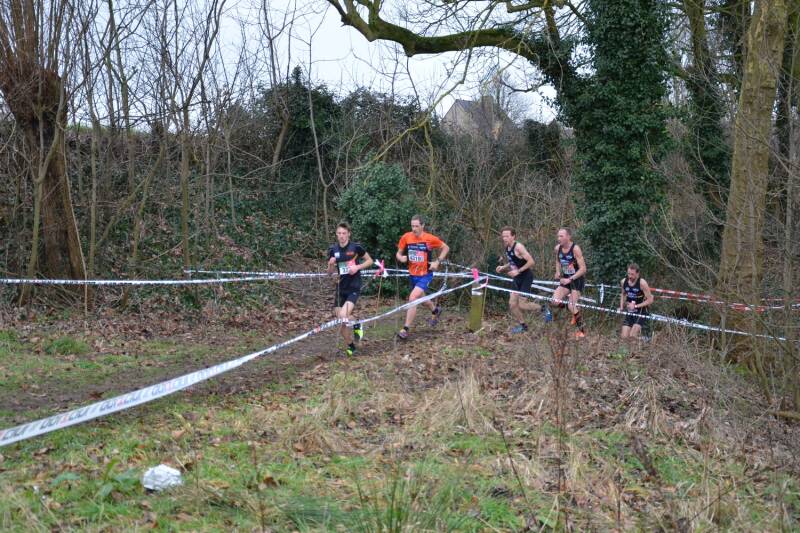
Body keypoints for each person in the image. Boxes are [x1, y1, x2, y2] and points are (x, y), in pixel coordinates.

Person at [395, 215, 449, 340]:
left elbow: (446, 248)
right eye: (412, 226)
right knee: (421, 298)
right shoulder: (406, 237)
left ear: (423, 226)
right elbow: (399, 252)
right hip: (412, 274)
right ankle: (435, 310)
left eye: (417, 226)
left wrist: (437, 261)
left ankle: (405, 329)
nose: (414, 229)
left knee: (413, 297)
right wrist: (400, 257)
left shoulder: (429, 239)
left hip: (425, 274)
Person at [327, 222, 373, 356]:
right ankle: (352, 344)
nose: (341, 236)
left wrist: (357, 267)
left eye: (344, 233)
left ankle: (356, 325)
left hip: (354, 285)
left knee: (343, 316)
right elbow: (329, 273)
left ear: (348, 234)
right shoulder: (333, 249)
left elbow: (369, 260)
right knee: (341, 321)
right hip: (341, 287)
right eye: (339, 233)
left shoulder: (356, 247)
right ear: (336, 234)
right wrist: (330, 265)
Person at [495, 227, 550, 333]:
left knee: (522, 305)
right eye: (503, 236)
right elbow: (512, 261)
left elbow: (531, 261)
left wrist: (518, 271)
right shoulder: (507, 247)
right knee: (512, 304)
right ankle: (523, 326)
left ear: (513, 236)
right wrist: (503, 268)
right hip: (517, 278)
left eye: (507, 236)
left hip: (526, 277)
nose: (504, 238)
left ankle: (544, 309)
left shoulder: (519, 247)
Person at [552, 227, 588, 338]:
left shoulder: (575, 249)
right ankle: (573, 310)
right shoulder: (557, 248)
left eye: (561, 236)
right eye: (558, 236)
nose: (559, 238)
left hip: (577, 279)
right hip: (566, 278)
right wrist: (558, 272)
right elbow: (558, 261)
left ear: (568, 237)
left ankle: (582, 331)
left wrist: (570, 278)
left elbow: (583, 269)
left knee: (571, 305)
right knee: (554, 302)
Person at [619, 263, 654, 339]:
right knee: (624, 337)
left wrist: (635, 306)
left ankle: (645, 339)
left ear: (638, 274)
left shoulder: (642, 283)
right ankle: (644, 338)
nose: (630, 276)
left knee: (632, 337)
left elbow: (650, 300)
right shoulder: (623, 281)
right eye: (628, 274)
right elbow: (623, 294)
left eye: (632, 274)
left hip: (641, 312)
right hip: (630, 311)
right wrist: (621, 306)